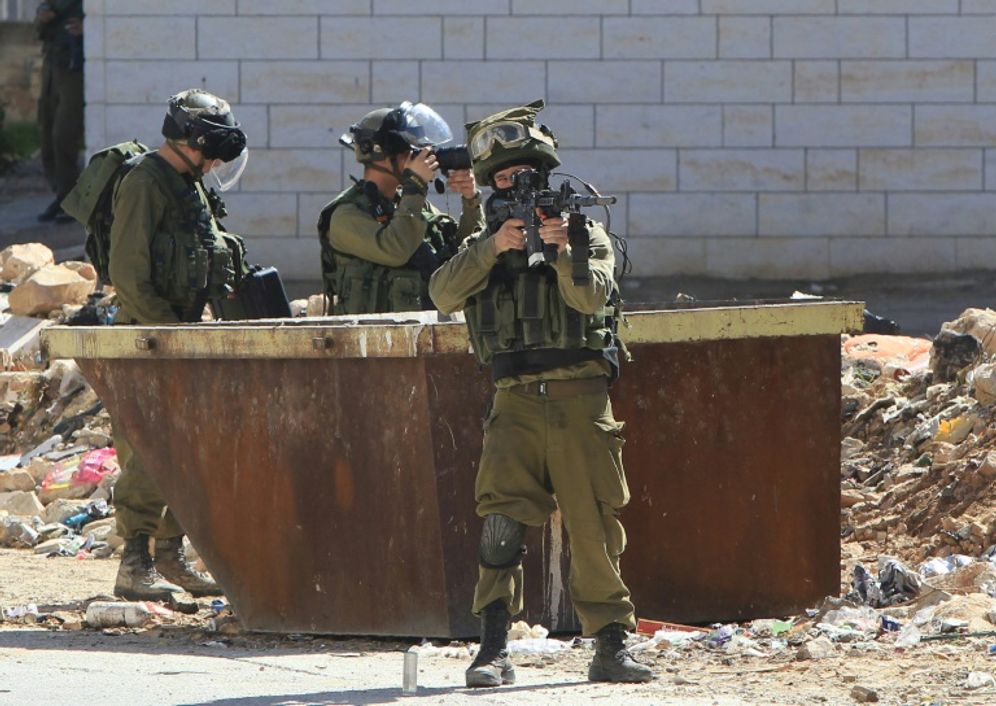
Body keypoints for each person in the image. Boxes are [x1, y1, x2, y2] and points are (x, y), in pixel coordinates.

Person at [428, 100, 653, 687]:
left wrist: (560, 250)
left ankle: (610, 644)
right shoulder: (480, 241)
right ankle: (493, 648)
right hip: (516, 399)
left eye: (524, 177)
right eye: (503, 180)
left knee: (593, 526)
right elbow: (443, 294)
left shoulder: (584, 232)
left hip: (580, 397)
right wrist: (492, 246)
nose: (515, 188)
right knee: (501, 524)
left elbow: (590, 299)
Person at [108, 89, 250, 600]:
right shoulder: (146, 181)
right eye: (212, 150)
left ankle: (170, 556)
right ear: (189, 139)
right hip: (147, 338)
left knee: (186, 451)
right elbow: (127, 272)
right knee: (148, 448)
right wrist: (165, 332)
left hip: (180, 336)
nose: (215, 163)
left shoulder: (191, 186)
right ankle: (134, 561)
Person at [317, 102, 484, 314]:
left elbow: (461, 256)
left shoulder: (410, 204)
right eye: (409, 152)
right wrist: (415, 185)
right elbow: (396, 249)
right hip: (370, 339)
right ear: (382, 155)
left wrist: (470, 200)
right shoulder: (345, 215)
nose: (418, 159)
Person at [34, 0, 84, 223]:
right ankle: (62, 195)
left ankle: (72, 199)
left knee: (63, 136)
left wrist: (85, 29)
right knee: (47, 137)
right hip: (52, 68)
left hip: (73, 70)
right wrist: (42, 16)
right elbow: (40, 25)